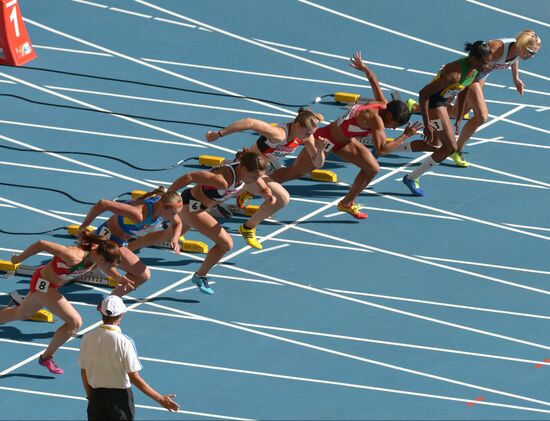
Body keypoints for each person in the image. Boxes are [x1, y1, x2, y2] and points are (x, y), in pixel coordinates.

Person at [269, 51, 420, 219]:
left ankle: (346, 203)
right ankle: (257, 185)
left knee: (372, 169)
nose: (393, 128)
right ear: (390, 116)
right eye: (395, 124)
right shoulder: (376, 120)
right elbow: (382, 150)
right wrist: (406, 135)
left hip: (344, 141)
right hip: (325, 139)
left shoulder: (383, 104)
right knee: (295, 172)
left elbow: (375, 82)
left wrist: (365, 68)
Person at [136, 149, 279, 295]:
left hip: (199, 206)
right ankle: (200, 276)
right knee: (226, 243)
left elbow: (260, 179)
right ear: (243, 169)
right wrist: (168, 194)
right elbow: (189, 176)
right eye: (254, 177)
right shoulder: (221, 180)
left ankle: (130, 246)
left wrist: (266, 191)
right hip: (191, 205)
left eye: (258, 177)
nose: (256, 180)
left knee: (167, 236)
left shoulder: (246, 174)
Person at [1, 232, 129, 375]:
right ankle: (46, 358)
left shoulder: (98, 255)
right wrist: (18, 259)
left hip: (51, 285)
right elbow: (41, 243)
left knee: (22, 314)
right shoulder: (73, 256)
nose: (108, 269)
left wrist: (119, 278)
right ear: (100, 258)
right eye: (108, 264)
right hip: (43, 284)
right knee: (74, 322)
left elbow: (106, 267)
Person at [402, 41, 492, 196]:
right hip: (433, 104)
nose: (487, 67)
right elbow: (424, 94)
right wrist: (427, 123)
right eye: (484, 63)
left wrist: (458, 117)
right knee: (450, 148)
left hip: (442, 104)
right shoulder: (454, 74)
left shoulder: (474, 71)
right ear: (474, 59)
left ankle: (383, 150)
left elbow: (464, 90)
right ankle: (411, 177)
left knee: (434, 145)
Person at [448, 29, 542, 167]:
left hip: (481, 75)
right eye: (531, 52)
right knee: (482, 116)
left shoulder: (516, 50)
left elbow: (514, 59)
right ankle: (456, 149)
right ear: (521, 46)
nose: (532, 56)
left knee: (457, 112)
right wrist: (462, 84)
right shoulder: (497, 48)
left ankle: (416, 106)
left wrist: (515, 77)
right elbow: (473, 62)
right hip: (471, 74)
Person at [79, 295, 180, 420]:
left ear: (101, 313)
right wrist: (160, 398)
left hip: (96, 396)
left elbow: (84, 372)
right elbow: (134, 377)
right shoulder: (124, 341)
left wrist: (91, 397)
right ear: (121, 315)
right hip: (119, 399)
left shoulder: (87, 337)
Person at [205, 107, 326, 208]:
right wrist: (219, 134)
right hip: (246, 167)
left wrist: (320, 150)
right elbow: (249, 122)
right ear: (297, 126)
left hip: (262, 167)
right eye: (308, 133)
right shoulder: (279, 134)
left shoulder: (305, 137)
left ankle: (245, 192)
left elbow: (318, 163)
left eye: (312, 133)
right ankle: (214, 205)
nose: (311, 136)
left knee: (278, 176)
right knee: (281, 196)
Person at [79, 187, 183, 296]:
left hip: (122, 241)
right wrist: (83, 227)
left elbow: (178, 223)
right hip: (108, 239)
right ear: (162, 206)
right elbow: (103, 203)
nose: (174, 216)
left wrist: (175, 238)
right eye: (172, 214)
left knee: (82, 267)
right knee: (143, 275)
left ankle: (106, 290)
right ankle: (110, 301)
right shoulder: (138, 214)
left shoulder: (164, 207)